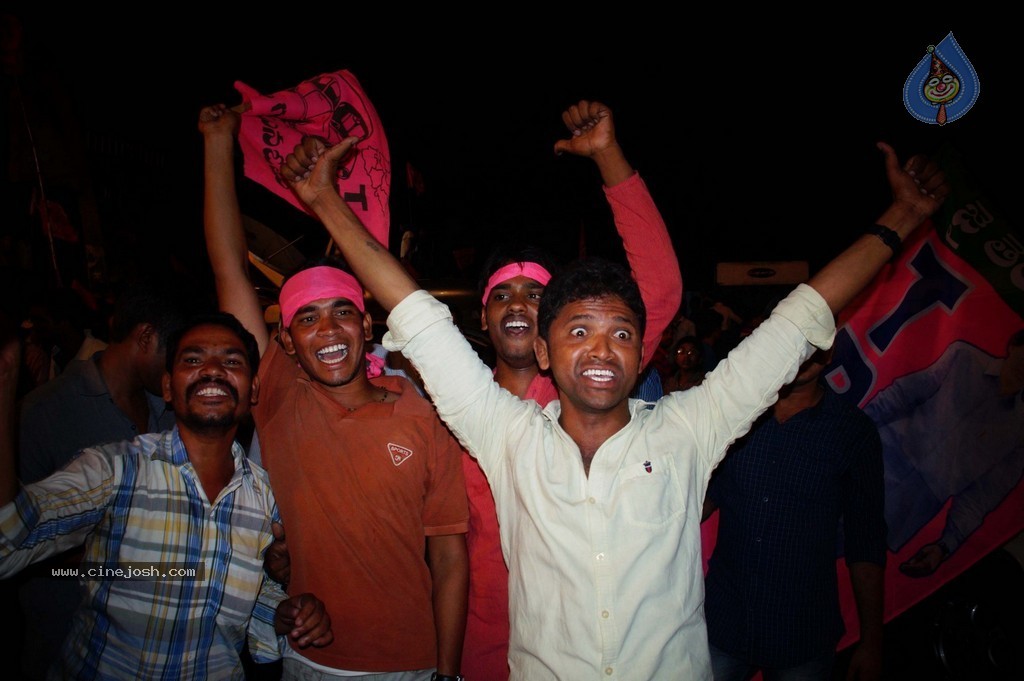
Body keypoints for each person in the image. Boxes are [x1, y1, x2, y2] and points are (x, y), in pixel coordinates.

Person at [280, 125, 946, 679]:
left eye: (620, 334)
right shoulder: (505, 435)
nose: (601, 349)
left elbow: (799, 318)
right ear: (544, 352)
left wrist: (902, 218)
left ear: (641, 352)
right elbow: (417, 313)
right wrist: (324, 202)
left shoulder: (691, 427)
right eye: (578, 331)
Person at [200, 103, 469, 681]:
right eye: (308, 319)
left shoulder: (421, 414)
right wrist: (219, 145)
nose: (328, 329)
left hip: (414, 662)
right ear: (287, 343)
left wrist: (447, 673)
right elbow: (228, 266)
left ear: (366, 326)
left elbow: (448, 557)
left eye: (343, 312)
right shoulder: (278, 394)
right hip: (312, 662)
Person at [463, 100, 682, 679]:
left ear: (555, 321)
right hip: (482, 646)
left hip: (589, 649)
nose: (517, 304)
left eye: (534, 293)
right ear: (483, 318)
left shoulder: (585, 395)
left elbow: (658, 290)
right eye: (501, 294)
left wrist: (608, 156)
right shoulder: (451, 407)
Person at [0, 313, 334, 680]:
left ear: (253, 389)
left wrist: (285, 611)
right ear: (168, 387)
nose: (212, 370)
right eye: (192, 360)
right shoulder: (117, 469)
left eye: (231, 361)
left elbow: (246, 598)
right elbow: (8, 542)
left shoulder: (267, 497)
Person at [15, 279, 185, 679]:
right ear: (146, 337)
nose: (181, 367)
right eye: (176, 354)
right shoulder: (45, 411)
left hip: (145, 643)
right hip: (64, 630)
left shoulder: (169, 409)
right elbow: (17, 537)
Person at [702, 347, 886, 680]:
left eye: (812, 346)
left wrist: (872, 642)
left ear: (830, 353)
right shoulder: (737, 417)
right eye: (793, 344)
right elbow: (702, 501)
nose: (801, 356)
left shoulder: (852, 432)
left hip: (802, 632)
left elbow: (866, 540)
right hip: (724, 621)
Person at [864, 329, 1024, 577]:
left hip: (910, 507)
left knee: (820, 562)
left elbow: (981, 497)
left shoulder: (1019, 432)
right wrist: (848, 430)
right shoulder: (965, 358)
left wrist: (945, 546)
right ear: (1014, 345)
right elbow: (901, 395)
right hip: (879, 459)